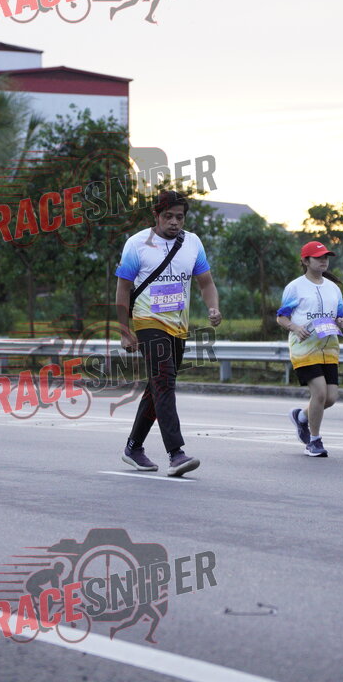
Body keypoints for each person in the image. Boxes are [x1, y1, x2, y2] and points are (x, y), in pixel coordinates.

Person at [115, 191, 221, 476]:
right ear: (156, 215)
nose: (174, 222)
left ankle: (133, 447)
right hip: (148, 322)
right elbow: (123, 289)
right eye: (168, 216)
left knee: (157, 386)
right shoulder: (136, 244)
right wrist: (125, 331)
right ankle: (176, 453)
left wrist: (213, 308)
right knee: (164, 384)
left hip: (178, 325)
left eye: (180, 217)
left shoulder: (193, 243)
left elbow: (206, 283)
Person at [277, 241, 343, 457]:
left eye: (326, 257)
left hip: (329, 348)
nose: (323, 261)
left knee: (330, 398)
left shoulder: (333, 288)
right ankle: (314, 441)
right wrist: (295, 328)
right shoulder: (295, 287)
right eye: (318, 257)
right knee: (319, 393)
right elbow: (281, 317)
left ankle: (301, 417)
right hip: (304, 348)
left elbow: (339, 316)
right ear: (305, 261)